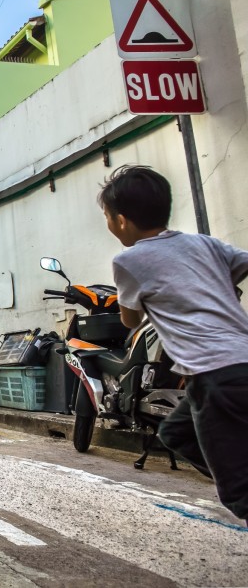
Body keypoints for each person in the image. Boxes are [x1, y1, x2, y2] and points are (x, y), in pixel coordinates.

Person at [101, 165, 248, 522]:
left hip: (214, 373)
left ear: (121, 221)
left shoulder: (128, 260)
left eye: (106, 217)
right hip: (239, 360)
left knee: (239, 490)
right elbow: (241, 263)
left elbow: (131, 319)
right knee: (175, 430)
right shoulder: (204, 244)